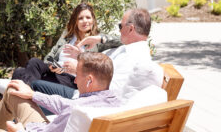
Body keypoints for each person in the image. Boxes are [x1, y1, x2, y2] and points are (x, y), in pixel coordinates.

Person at [31, 8, 162, 101]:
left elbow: (109, 89)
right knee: (29, 73)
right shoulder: (126, 50)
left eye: (120, 26)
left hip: (83, 99)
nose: (119, 30)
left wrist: (78, 69)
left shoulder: (131, 57)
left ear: (130, 28)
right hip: (82, 93)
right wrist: (82, 55)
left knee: (34, 87)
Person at [0, 2, 115, 92]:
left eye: (88, 17)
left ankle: (27, 95)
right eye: (80, 18)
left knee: (19, 72)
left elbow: (122, 40)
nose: (85, 21)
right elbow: (50, 57)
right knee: (33, 62)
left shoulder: (98, 40)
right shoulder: (67, 36)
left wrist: (98, 39)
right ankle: (30, 93)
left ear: (93, 20)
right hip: (56, 73)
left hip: (71, 79)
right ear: (75, 21)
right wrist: (52, 66)